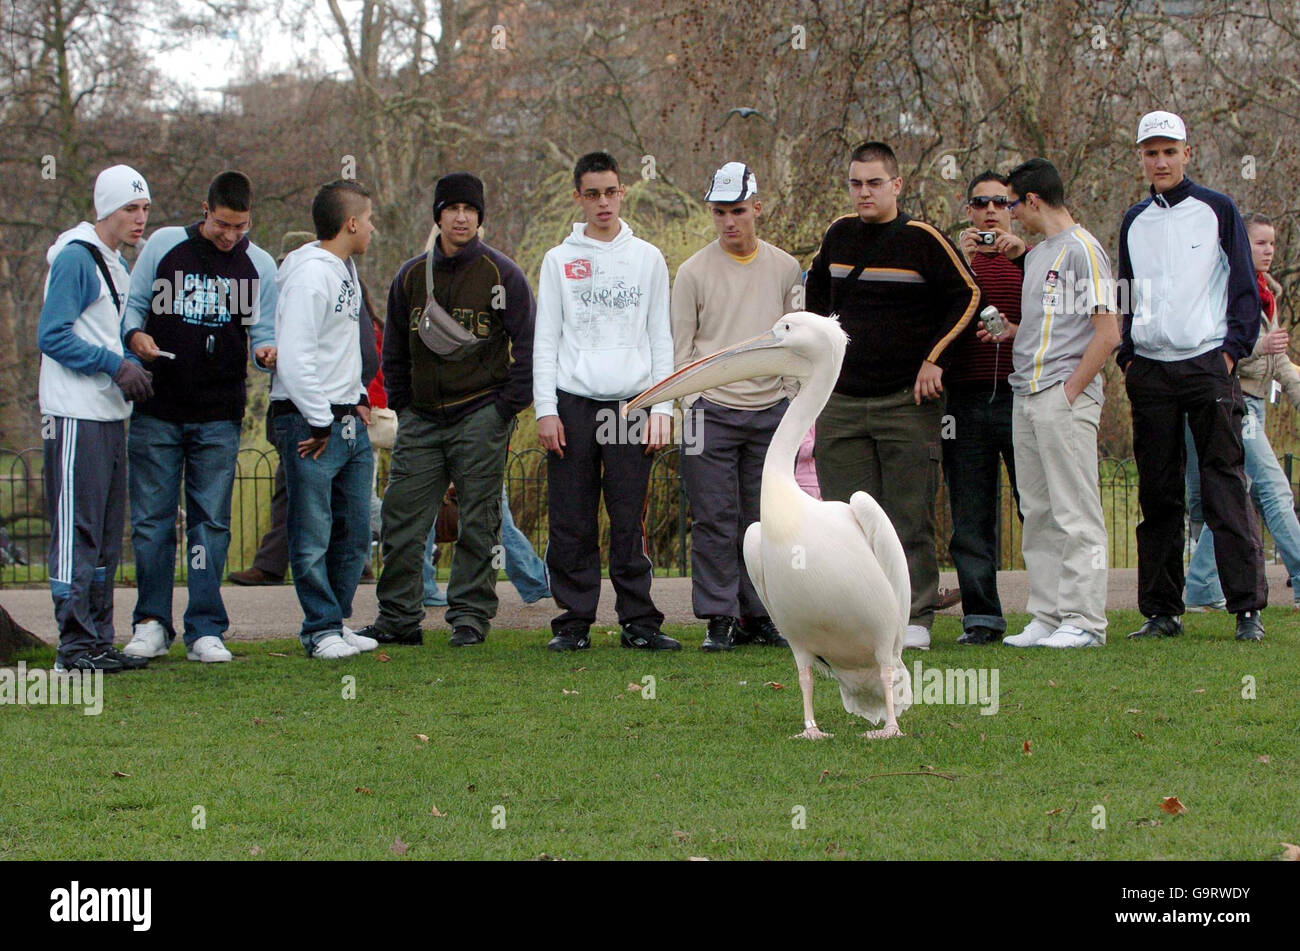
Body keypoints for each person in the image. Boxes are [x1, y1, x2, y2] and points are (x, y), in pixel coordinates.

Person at [805, 140, 981, 651]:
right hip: (840, 403)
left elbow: (969, 296)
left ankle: (915, 615)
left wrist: (936, 359)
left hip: (906, 402)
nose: (864, 192)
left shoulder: (922, 238)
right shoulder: (837, 237)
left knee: (908, 515)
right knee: (846, 519)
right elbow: (816, 305)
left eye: (874, 183)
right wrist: (820, 365)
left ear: (896, 185)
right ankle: (857, 618)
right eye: (856, 183)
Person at [355, 172, 535, 648]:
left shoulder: (503, 275)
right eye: (452, 208)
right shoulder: (411, 276)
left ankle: (470, 617)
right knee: (401, 518)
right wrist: (405, 405)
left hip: (481, 412)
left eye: (470, 210)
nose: (461, 217)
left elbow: (530, 348)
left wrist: (505, 408)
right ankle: (398, 618)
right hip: (423, 417)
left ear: (480, 217)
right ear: (437, 215)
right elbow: (392, 349)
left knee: (479, 520)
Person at [1117, 110, 1267, 643]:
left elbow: (1245, 288)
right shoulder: (1134, 220)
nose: (1160, 160)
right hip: (1150, 370)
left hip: (1208, 365)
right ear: (1141, 157)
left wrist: (1231, 352)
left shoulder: (1218, 209)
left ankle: (1246, 608)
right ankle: (1162, 611)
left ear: (1187, 152)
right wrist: (1128, 356)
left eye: (1168, 150)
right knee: (1157, 495)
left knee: (1224, 485)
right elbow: (1126, 292)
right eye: (1150, 152)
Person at [119, 170, 277, 663]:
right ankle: (150, 622)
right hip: (158, 409)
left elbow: (263, 329)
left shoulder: (260, 264)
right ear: (205, 210)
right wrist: (134, 339)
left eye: (242, 226)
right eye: (224, 225)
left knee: (210, 523)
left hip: (219, 414)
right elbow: (133, 307)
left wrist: (266, 352)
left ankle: (205, 626)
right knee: (152, 521)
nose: (232, 236)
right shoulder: (165, 245)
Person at [533, 151, 679, 652]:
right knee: (571, 519)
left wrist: (663, 409)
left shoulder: (648, 258)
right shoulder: (558, 260)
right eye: (592, 193)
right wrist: (545, 410)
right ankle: (573, 624)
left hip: (632, 407)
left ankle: (639, 623)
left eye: (610, 192)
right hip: (573, 405)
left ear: (623, 193)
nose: (603, 202)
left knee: (627, 519)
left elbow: (662, 338)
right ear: (578, 196)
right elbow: (545, 341)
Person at [981, 158, 1118, 648]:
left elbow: (1108, 333)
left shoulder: (1085, 250)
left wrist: (1070, 390)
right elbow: (1052, 328)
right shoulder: (1038, 255)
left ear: (1033, 200)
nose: (1009, 214)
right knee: (1037, 510)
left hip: (1063, 395)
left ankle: (1085, 620)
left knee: (1074, 510)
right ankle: (1047, 614)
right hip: (1026, 392)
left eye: (1012, 203)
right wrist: (1013, 333)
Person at [670, 161, 801, 651]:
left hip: (769, 411)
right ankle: (718, 616)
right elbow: (680, 350)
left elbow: (796, 340)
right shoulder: (693, 272)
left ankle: (759, 613)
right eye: (720, 212)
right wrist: (691, 400)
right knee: (713, 518)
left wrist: (789, 396)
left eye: (738, 211)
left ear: (757, 209)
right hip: (711, 411)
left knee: (765, 521)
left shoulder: (785, 267)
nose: (729, 222)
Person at [38, 165, 154, 673]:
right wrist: (115, 365)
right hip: (74, 414)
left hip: (108, 415)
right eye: (131, 208)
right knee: (76, 532)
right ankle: (73, 646)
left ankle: (98, 639)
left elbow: (106, 332)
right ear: (106, 209)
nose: (140, 218)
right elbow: (53, 335)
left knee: (107, 534)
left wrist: (137, 354)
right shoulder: (75, 259)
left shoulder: (115, 264)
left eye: (145, 208)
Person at [229, 231, 381, 587]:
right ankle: (316, 598)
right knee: (303, 495)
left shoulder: (329, 282)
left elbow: (359, 344)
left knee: (333, 501)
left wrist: (351, 398)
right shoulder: (304, 285)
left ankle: (342, 577)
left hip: (325, 409)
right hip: (306, 409)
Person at [270, 179, 379, 659]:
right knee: (312, 531)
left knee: (354, 530)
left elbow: (339, 348)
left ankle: (336, 619)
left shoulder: (345, 269)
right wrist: (318, 421)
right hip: (309, 423)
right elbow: (294, 357)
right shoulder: (311, 275)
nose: (372, 228)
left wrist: (356, 396)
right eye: (369, 219)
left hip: (347, 420)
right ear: (351, 223)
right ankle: (318, 629)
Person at [1183, 213, 1300, 611]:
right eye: (1260, 243)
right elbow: (1216, 351)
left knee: (1235, 498)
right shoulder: (1224, 289)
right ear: (1240, 246)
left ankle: (1199, 586)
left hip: (1256, 404)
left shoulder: (1269, 293)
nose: (1269, 250)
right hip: (1234, 402)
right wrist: (1258, 348)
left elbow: (1280, 362)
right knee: (1275, 490)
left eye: (1272, 243)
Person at [945, 171, 1026, 645]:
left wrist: (1024, 257)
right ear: (969, 210)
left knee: (1033, 508)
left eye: (1001, 202)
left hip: (1020, 395)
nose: (991, 210)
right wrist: (962, 258)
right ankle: (981, 617)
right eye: (981, 203)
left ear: (1014, 209)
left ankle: (1050, 612)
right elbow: (938, 311)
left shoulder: (1033, 262)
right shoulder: (957, 262)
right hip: (965, 400)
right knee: (970, 514)